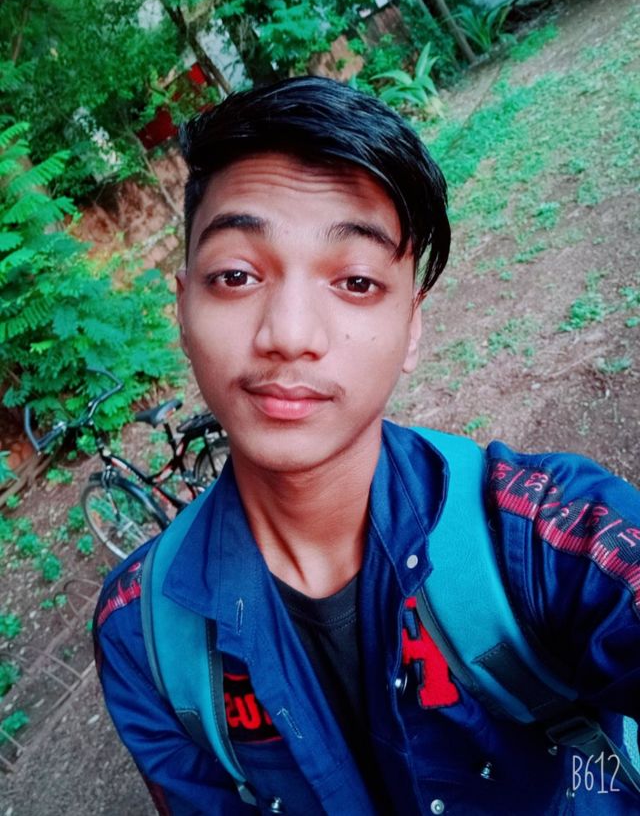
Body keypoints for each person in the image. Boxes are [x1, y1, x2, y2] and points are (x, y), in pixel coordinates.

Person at [93, 75, 640, 815]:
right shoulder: (140, 634)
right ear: (184, 309)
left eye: (354, 282)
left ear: (412, 326)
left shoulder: (544, 539)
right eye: (236, 275)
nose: (289, 333)